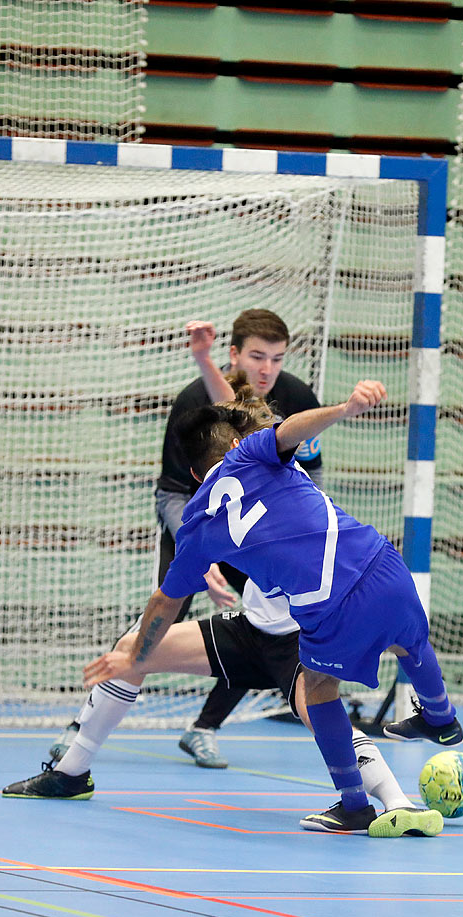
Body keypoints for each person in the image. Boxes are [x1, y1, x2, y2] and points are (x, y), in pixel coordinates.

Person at [108, 378, 463, 834]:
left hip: (329, 605)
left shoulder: (195, 525)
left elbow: (165, 601)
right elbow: (290, 429)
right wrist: (345, 407)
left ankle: (354, 804)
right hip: (378, 559)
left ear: (195, 476)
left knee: (318, 690)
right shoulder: (255, 451)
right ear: (237, 443)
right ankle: (440, 716)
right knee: (409, 639)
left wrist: (135, 653)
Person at [0, 578, 444, 837]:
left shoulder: (298, 496)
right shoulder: (226, 496)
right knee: (133, 647)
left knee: (320, 712)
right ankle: (71, 774)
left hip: (299, 638)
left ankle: (396, 803)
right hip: (247, 630)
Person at [155, 310, 324, 769]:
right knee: (162, 616)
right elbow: (172, 491)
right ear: (234, 355)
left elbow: (313, 476)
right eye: (256, 357)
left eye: (276, 358)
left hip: (258, 532)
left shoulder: (297, 397)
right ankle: (87, 720)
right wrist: (200, 554)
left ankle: (203, 728)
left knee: (259, 623)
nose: (267, 369)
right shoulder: (195, 401)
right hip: (197, 522)